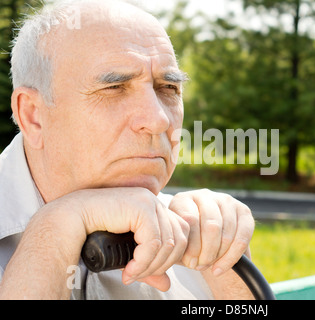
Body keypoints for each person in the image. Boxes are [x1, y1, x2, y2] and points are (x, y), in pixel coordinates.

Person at [0, 0, 255, 300]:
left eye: (168, 88)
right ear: (33, 116)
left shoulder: (196, 235)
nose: (159, 120)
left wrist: (230, 275)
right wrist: (56, 228)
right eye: (114, 88)